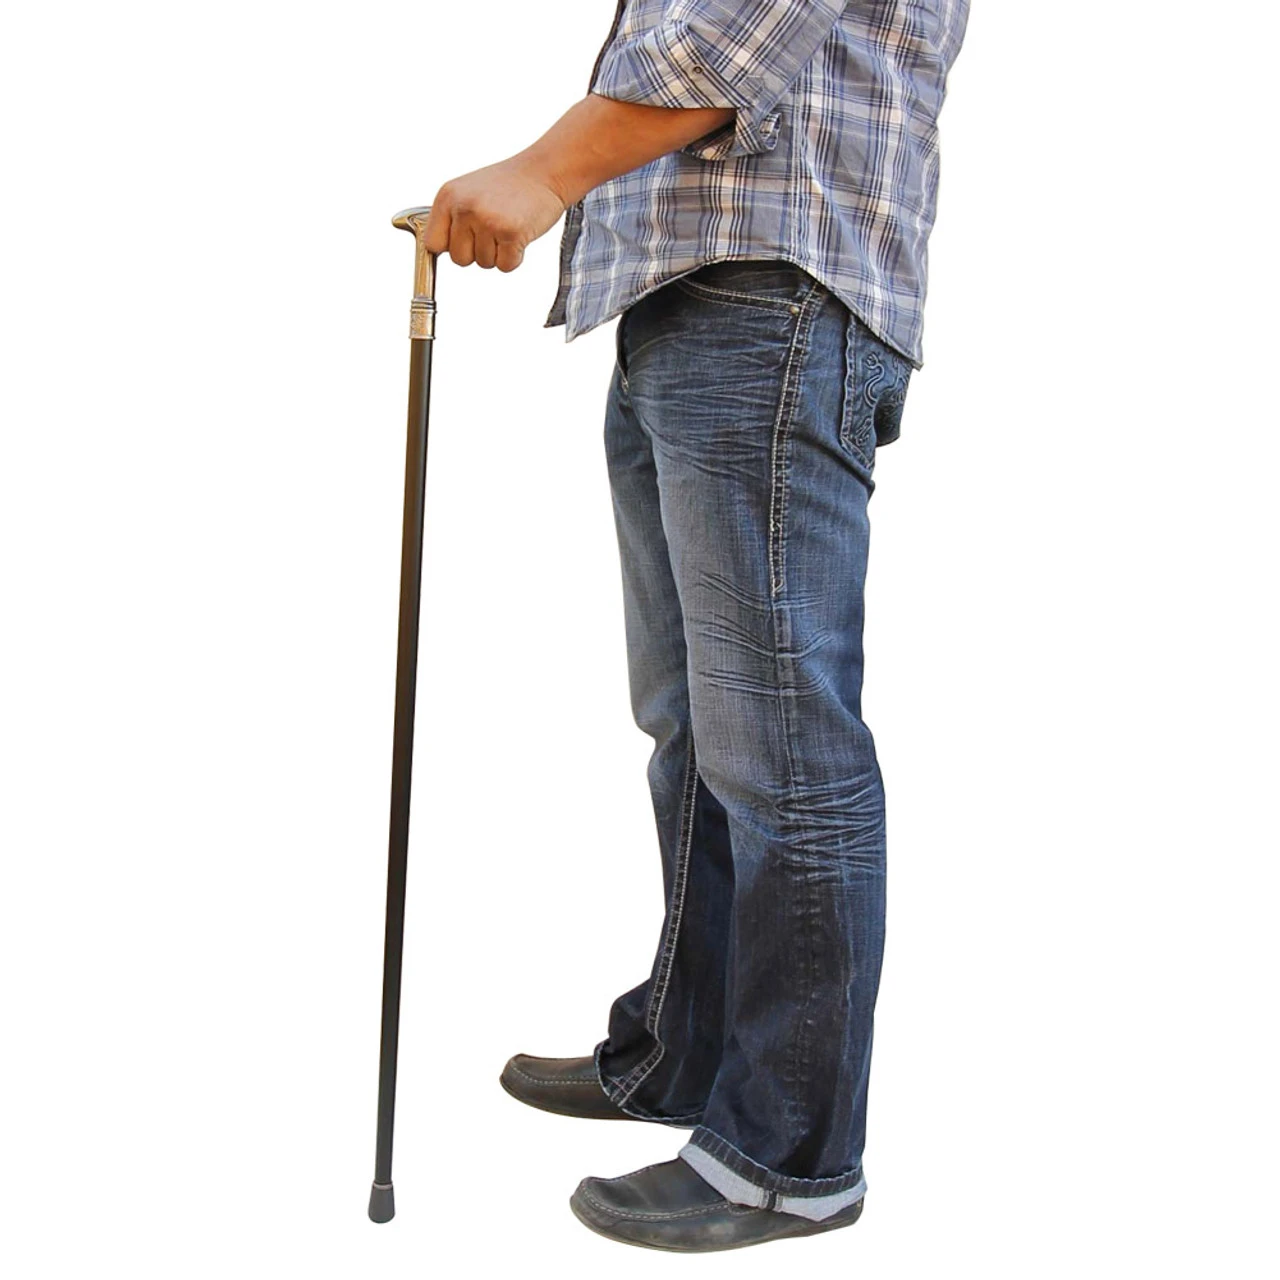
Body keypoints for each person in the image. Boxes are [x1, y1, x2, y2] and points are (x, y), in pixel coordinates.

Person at [421, 0, 969, 1253]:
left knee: (782, 751)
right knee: (695, 726)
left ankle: (785, 1158)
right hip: (697, 297)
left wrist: (543, 170)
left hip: (769, 297)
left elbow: (733, 34)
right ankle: (689, 1049)